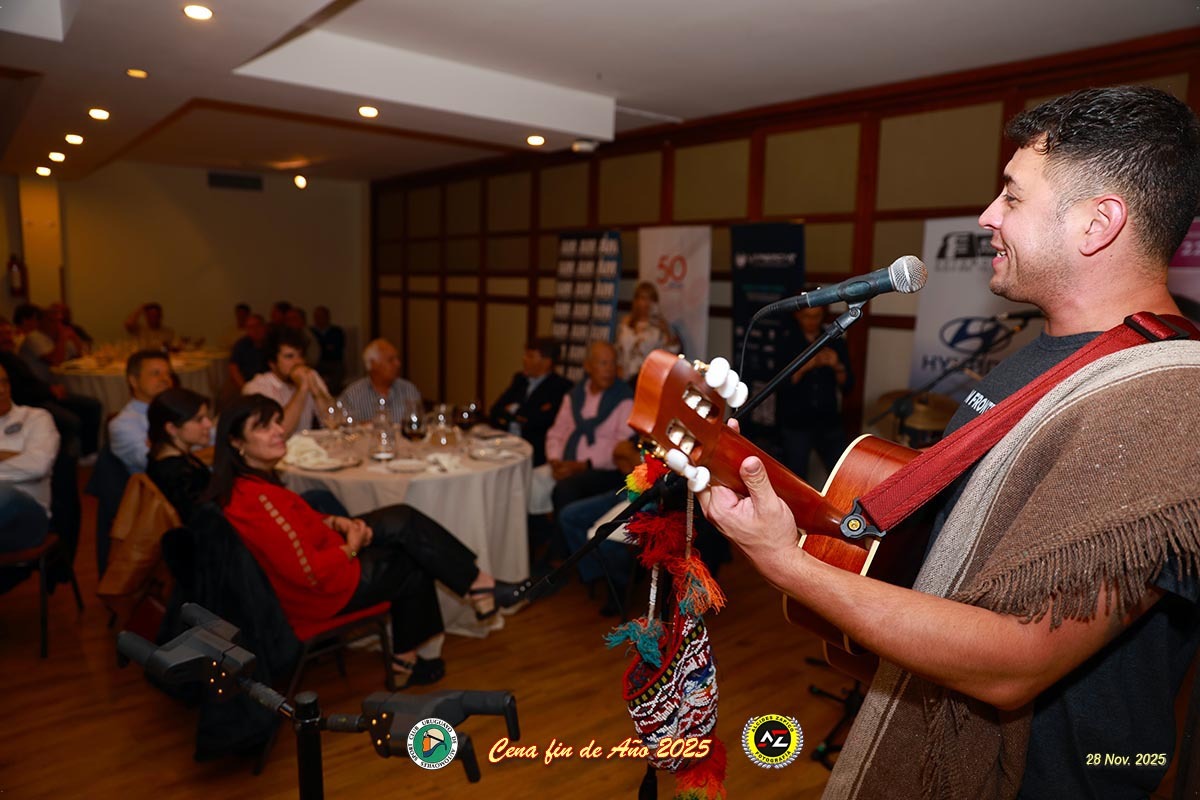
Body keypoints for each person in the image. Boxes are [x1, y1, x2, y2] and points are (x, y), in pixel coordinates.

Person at [697, 86, 1200, 799]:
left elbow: (1016, 661)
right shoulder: (1048, 355)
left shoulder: (1170, 408)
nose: (987, 216)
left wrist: (790, 566)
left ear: (1098, 223)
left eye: (1012, 196)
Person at [209, 394, 524, 686]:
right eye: (263, 427)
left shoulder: (249, 485)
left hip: (323, 555)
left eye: (277, 422)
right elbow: (308, 571)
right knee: (412, 560)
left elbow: (296, 522)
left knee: (403, 520)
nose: (280, 431)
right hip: (320, 593)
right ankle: (416, 651)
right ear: (236, 442)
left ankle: (476, 588)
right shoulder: (257, 500)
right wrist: (351, 547)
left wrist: (335, 521)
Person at [535, 340, 634, 513]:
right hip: (567, 461)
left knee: (566, 490)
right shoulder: (575, 395)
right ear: (588, 366)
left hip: (605, 470)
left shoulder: (624, 398)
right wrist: (555, 460)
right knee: (532, 481)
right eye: (603, 363)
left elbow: (622, 447)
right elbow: (557, 432)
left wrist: (583, 465)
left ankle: (566, 529)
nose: (609, 369)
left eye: (612, 363)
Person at [0, 363, 60, 591]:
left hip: (28, 521)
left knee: (4, 493)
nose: (1, 389)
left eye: (4, 381)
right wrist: (14, 456)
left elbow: (38, 465)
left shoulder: (36, 418)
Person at [776, 305, 853, 482]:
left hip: (828, 419)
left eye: (816, 316)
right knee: (795, 478)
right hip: (796, 421)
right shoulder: (787, 341)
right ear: (797, 315)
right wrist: (806, 366)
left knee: (841, 475)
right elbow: (780, 385)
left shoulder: (834, 339)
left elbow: (848, 385)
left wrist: (837, 365)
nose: (812, 321)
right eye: (807, 316)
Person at [488, 337, 571, 466]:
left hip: (535, 454)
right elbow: (495, 411)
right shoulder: (520, 379)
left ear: (546, 362)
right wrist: (522, 415)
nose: (524, 359)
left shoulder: (561, 387)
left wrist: (513, 410)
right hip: (504, 447)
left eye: (530, 356)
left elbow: (540, 422)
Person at [242, 327, 329, 438]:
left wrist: (316, 391)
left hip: (306, 445)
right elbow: (279, 434)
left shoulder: (310, 375)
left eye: (301, 355)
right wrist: (302, 389)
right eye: (289, 356)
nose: (298, 362)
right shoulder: (256, 388)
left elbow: (333, 423)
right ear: (272, 364)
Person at [145, 387, 213, 523]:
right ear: (172, 428)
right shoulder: (177, 475)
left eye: (207, 417)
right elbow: (207, 522)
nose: (208, 424)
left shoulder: (170, 459)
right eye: (199, 420)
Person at [109, 350, 174, 474]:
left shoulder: (178, 409)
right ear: (133, 381)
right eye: (156, 373)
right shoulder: (123, 425)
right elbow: (161, 464)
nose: (165, 379)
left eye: (168, 374)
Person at [337, 338, 421, 425]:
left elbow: (418, 424)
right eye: (391, 360)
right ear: (374, 364)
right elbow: (340, 425)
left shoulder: (409, 390)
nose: (398, 364)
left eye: (397, 359)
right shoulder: (352, 395)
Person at [614, 281, 680, 384]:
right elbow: (618, 349)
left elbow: (672, 351)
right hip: (624, 377)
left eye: (650, 299)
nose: (646, 302)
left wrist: (666, 331)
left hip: (646, 378)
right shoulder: (626, 322)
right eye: (642, 298)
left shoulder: (660, 326)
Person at [310, 306, 346, 394]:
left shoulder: (337, 331)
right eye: (317, 317)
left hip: (333, 362)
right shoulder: (311, 332)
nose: (319, 319)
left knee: (338, 370)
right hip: (316, 362)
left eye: (321, 316)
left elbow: (337, 349)